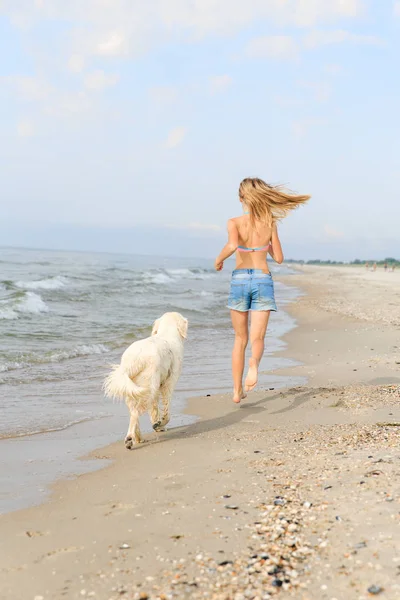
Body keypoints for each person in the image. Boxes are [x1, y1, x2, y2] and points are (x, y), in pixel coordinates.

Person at [214, 177, 310, 404]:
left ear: (241, 199)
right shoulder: (270, 224)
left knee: (240, 338)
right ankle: (254, 363)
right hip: (263, 279)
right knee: (258, 337)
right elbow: (278, 258)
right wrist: (264, 246)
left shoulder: (234, 222)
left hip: (239, 280)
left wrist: (218, 260)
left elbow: (231, 246)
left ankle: (237, 391)